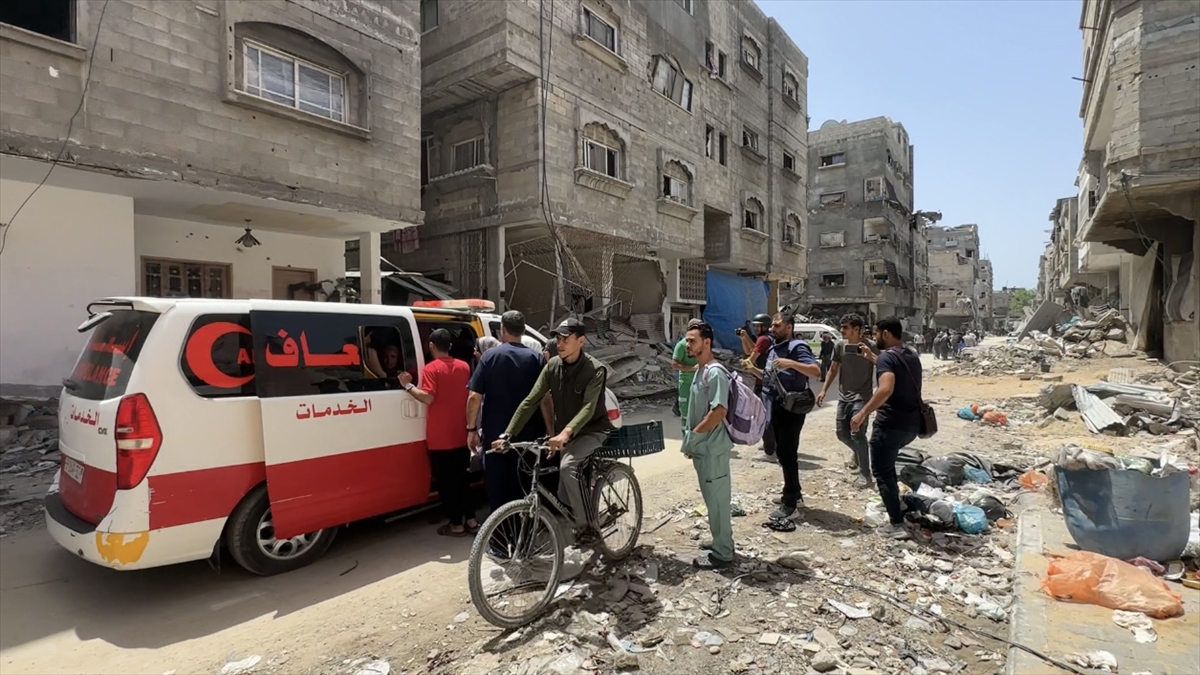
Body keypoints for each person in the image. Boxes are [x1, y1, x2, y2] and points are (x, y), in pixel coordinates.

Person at [498, 317, 614, 540]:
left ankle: (588, 527)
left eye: (565, 338)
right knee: (563, 491)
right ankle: (579, 519)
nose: (559, 343)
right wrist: (508, 433)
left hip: (592, 431)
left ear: (581, 341)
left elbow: (589, 408)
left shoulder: (595, 369)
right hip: (566, 434)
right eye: (557, 338)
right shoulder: (552, 366)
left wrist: (566, 433)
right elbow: (531, 400)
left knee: (568, 468)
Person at [467, 311, 554, 538]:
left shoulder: (489, 357)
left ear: (502, 330)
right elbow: (545, 398)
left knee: (498, 491)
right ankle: (524, 541)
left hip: (497, 438)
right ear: (523, 330)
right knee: (525, 489)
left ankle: (500, 543)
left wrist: (471, 430)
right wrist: (550, 431)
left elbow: (474, 397)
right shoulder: (535, 359)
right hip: (529, 437)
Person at [851, 317, 924, 540]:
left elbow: (886, 389)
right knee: (889, 468)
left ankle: (896, 523)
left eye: (875, 333)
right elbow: (895, 373)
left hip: (890, 424)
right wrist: (873, 359)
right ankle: (897, 504)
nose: (873, 337)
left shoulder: (886, 357)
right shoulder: (910, 354)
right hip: (912, 425)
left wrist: (863, 413)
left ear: (885, 334)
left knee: (883, 472)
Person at [400, 329, 478, 537]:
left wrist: (407, 385)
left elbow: (428, 397)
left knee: (446, 484)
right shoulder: (463, 366)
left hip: (440, 438)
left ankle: (456, 524)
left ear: (432, 346)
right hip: (460, 433)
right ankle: (471, 520)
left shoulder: (430, 369)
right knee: (462, 480)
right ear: (449, 346)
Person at [754, 312, 822, 520]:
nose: (772, 329)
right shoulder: (775, 349)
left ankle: (790, 504)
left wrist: (791, 363)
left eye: (777, 326)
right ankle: (795, 494)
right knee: (783, 454)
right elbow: (770, 377)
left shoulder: (797, 347)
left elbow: (815, 370)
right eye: (773, 326)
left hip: (790, 409)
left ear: (789, 327)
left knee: (787, 454)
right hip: (774, 407)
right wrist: (753, 371)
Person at [682, 322, 735, 570]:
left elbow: (719, 411)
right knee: (712, 500)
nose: (687, 344)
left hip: (712, 450)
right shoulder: (700, 370)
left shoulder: (714, 372)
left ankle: (723, 554)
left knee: (718, 503)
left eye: (692, 340)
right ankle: (719, 542)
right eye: (687, 340)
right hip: (704, 449)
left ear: (707, 342)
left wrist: (694, 435)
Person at [817, 314, 878, 487]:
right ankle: (860, 455)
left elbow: (883, 366)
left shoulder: (871, 346)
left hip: (862, 398)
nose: (842, 330)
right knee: (841, 434)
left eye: (845, 327)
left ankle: (865, 475)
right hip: (844, 398)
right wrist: (823, 390)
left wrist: (869, 356)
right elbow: (833, 369)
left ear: (857, 330)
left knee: (858, 435)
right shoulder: (839, 346)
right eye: (841, 327)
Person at [737, 313, 775, 455]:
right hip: (768, 380)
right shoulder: (767, 339)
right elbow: (750, 350)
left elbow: (750, 359)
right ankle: (770, 445)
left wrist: (744, 365)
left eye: (758, 326)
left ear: (763, 326)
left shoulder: (764, 339)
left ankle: (770, 451)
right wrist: (743, 338)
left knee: (763, 416)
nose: (756, 328)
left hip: (762, 380)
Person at [671, 318, 703, 425]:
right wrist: (692, 368)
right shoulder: (681, 345)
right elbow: (675, 365)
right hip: (686, 384)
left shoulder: (702, 344)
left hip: (700, 383)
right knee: (686, 415)